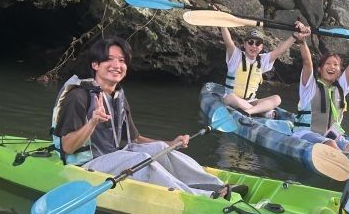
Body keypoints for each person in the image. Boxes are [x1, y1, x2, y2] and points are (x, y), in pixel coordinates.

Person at [51, 36, 231, 198]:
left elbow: (135, 138)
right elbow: (67, 147)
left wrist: (170, 143)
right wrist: (92, 122)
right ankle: (200, 197)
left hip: (114, 157)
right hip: (86, 165)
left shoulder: (118, 96)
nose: (116, 65)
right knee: (139, 159)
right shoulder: (79, 96)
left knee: (160, 148)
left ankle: (216, 186)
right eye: (109, 59)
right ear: (95, 65)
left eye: (122, 61)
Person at [294, 34, 349, 152]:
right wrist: (302, 42)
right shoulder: (310, 87)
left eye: (336, 65)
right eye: (328, 63)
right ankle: (342, 159)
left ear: (339, 71)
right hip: (305, 134)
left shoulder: (340, 88)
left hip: (331, 135)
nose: (332, 67)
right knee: (330, 143)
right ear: (320, 69)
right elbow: (307, 62)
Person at [220, 22, 310, 117]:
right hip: (233, 99)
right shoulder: (235, 56)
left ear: (261, 47)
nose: (254, 46)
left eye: (257, 43)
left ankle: (249, 111)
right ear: (245, 44)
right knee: (230, 97)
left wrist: (295, 35)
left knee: (277, 99)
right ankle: (262, 112)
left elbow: (280, 51)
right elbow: (228, 41)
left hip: (251, 101)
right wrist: (222, 23)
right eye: (250, 42)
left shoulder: (262, 60)